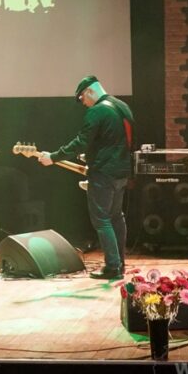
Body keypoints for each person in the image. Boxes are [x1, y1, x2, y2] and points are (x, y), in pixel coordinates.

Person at [37, 75, 134, 280]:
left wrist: (53, 157)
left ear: (90, 91)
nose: (83, 103)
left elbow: (81, 141)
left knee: (102, 219)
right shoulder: (122, 106)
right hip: (122, 171)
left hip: (103, 173)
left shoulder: (97, 111)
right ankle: (120, 264)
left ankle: (113, 267)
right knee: (116, 217)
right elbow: (116, 141)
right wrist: (90, 156)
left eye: (82, 98)